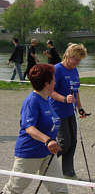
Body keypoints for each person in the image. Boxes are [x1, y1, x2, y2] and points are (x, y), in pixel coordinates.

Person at [1, 64, 68, 194]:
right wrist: (48, 140)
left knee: (60, 190)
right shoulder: (32, 101)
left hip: (48, 154)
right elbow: (29, 128)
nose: (55, 82)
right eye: (53, 79)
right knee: (13, 190)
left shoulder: (47, 99)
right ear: (46, 83)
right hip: (29, 153)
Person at [49, 43, 89, 179]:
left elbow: (76, 91)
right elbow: (50, 92)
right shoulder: (57, 69)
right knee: (64, 143)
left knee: (73, 142)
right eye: (76, 59)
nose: (77, 63)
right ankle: (45, 162)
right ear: (68, 56)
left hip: (71, 112)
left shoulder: (74, 70)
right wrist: (64, 99)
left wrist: (80, 108)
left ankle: (68, 171)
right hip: (57, 111)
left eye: (79, 60)